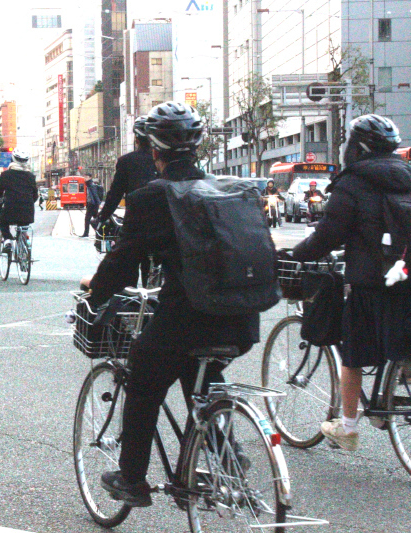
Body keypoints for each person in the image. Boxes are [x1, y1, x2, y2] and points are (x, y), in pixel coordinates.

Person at [82, 102, 260, 506]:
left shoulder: (152, 198)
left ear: (154, 151)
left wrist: (96, 289)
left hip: (187, 317)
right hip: (242, 319)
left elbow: (124, 261)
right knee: (203, 377)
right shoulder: (224, 189)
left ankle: (131, 480)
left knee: (144, 379)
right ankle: (225, 457)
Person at [292, 114, 411, 451]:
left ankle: (346, 429)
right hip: (406, 278)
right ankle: (395, 384)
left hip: (370, 284)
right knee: (405, 343)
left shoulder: (353, 183)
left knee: (353, 356)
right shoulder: (408, 175)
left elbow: (329, 234)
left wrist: (298, 254)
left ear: (355, 148)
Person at [96, 116, 158, 223]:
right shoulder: (163, 160)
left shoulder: (126, 161)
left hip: (135, 224)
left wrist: (101, 218)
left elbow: (115, 195)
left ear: (136, 139)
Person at [0, 148, 38, 252]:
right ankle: (24, 242)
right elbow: (35, 195)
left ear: (13, 159)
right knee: (23, 225)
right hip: (27, 210)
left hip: (10, 208)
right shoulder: (31, 176)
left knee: (3, 222)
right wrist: (28, 202)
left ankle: (8, 240)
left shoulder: (6, 175)